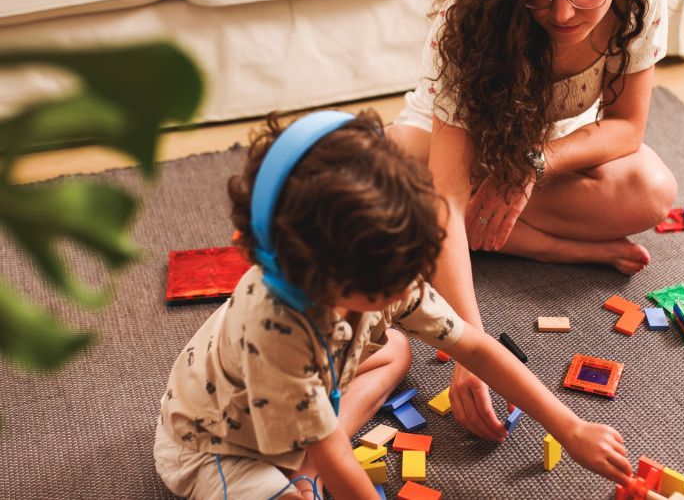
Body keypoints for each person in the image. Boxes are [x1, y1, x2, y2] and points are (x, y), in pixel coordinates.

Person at [153, 109, 632, 500]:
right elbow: (335, 457)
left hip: (298, 394)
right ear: (314, 271)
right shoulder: (276, 329)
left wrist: (571, 428)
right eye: (387, 286)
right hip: (218, 446)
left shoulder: (385, 270)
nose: (407, 289)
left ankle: (303, 460)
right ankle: (299, 469)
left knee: (395, 348)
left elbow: (476, 348)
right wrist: (324, 463)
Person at [386, 0, 678, 441]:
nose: (562, 12)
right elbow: (447, 195)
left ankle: (475, 227)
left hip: (544, 146)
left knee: (651, 190)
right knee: (398, 177)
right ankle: (546, 246)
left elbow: (627, 127)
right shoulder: (470, 15)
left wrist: (528, 167)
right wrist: (471, 350)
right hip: (447, 144)